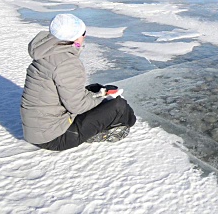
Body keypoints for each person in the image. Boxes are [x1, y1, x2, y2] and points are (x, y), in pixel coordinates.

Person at [21, 13, 136, 151]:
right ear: (73, 37)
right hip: (54, 137)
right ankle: (112, 128)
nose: (85, 36)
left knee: (96, 89)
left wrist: (100, 92)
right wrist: (105, 98)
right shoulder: (66, 63)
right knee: (119, 106)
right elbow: (78, 106)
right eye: (83, 33)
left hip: (38, 130)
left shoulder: (48, 52)